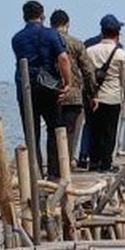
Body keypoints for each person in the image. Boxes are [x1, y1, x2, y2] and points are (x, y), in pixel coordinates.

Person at [10, 0, 72, 179]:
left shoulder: (17, 38)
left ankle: (35, 172)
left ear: (24, 17)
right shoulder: (51, 34)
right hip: (48, 85)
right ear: (42, 15)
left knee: (31, 131)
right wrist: (67, 82)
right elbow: (63, 58)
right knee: (54, 127)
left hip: (26, 86)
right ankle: (54, 172)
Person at [49, 9, 95, 173]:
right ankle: (65, 167)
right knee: (69, 133)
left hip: (52, 94)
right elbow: (88, 71)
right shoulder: (76, 43)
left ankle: (53, 168)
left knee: (52, 132)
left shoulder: (46, 41)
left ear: (51, 24)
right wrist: (92, 94)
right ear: (67, 24)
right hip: (73, 95)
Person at [85, 15, 125, 172]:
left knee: (94, 130)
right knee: (109, 132)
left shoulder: (90, 51)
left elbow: (85, 75)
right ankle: (106, 163)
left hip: (94, 97)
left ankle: (93, 161)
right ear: (117, 34)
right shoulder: (121, 54)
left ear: (102, 32)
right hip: (112, 97)